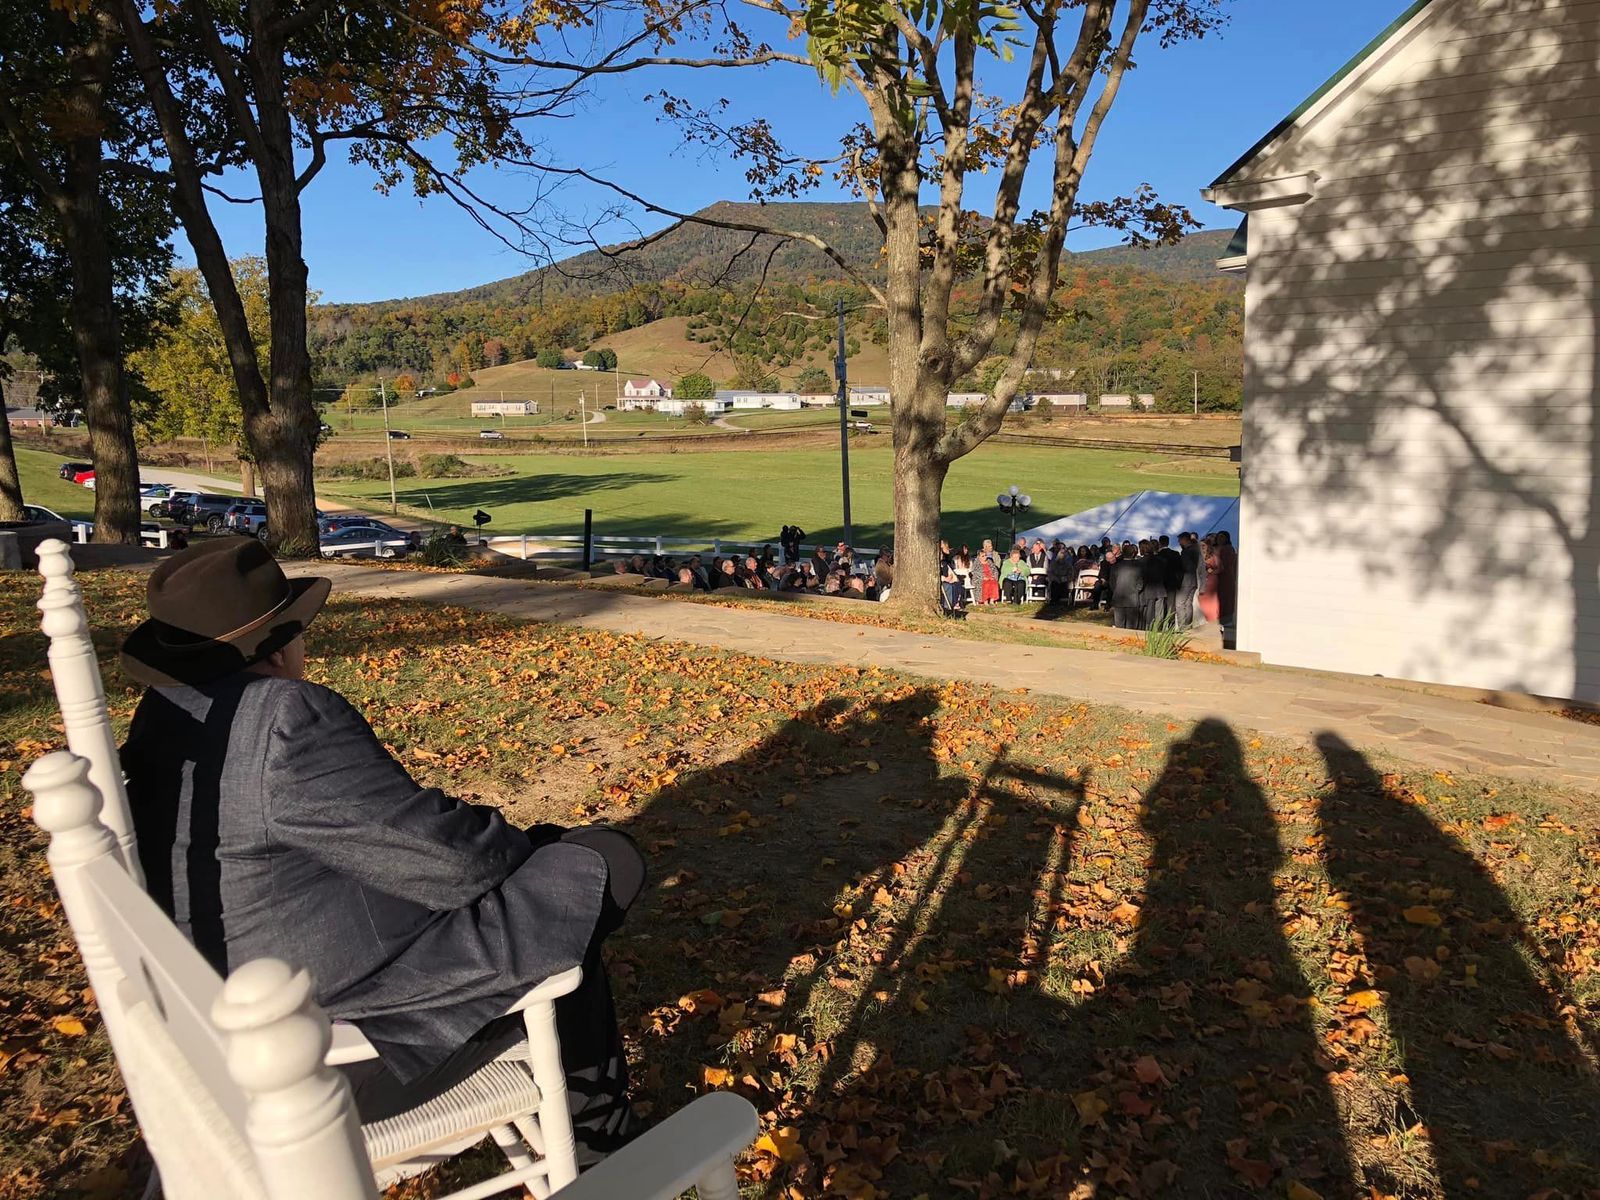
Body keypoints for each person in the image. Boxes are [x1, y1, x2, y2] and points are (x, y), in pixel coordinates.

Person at [117, 540, 644, 1156]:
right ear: (280, 647)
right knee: (600, 865)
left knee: (554, 892)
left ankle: (596, 1119)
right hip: (328, 1054)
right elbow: (457, 866)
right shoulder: (283, 716)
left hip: (226, 1016)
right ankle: (599, 1132)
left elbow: (372, 833)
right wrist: (537, 848)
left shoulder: (167, 713)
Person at [1109, 541, 1144, 628]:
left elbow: (1112, 582)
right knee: (1131, 627)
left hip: (1118, 597)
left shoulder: (1116, 566)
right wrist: (1136, 591)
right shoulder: (1138, 567)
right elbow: (1141, 583)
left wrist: (1116, 590)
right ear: (1133, 554)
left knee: (1119, 625)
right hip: (1132, 598)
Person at [1213, 531, 1239, 627]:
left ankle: (1225, 620)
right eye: (1219, 537)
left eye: (1222, 537)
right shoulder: (1217, 548)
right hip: (1220, 577)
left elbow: (1225, 564)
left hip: (1226, 576)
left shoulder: (1228, 549)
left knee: (1226, 599)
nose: (1220, 539)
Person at [1157, 534, 1184, 625]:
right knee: (1171, 605)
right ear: (1168, 543)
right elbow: (1180, 569)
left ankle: (1160, 625)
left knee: (1161, 606)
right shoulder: (1175, 554)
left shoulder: (1158, 555)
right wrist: (1178, 582)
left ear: (1160, 543)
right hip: (1172, 583)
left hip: (1160, 584)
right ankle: (1170, 625)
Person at [1175, 532, 1201, 628]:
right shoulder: (1196, 550)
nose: (1179, 543)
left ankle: (1182, 627)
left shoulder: (1186, 552)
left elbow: (1186, 566)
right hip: (1193, 580)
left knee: (1179, 604)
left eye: (1179, 541)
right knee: (1188, 604)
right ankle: (1188, 626)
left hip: (1185, 581)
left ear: (1184, 540)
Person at [1197, 535, 1222, 625]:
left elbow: (1221, 568)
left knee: (1211, 600)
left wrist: (1212, 571)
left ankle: (1213, 618)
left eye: (1204, 545)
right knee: (1201, 599)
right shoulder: (1198, 556)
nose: (1202, 547)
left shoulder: (1213, 556)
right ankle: (1204, 619)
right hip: (1200, 580)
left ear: (1208, 546)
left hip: (1211, 580)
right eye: (1200, 546)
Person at [975, 540, 1001, 605]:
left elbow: (995, 570)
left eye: (985, 555)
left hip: (990, 577)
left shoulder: (989, 561)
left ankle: (992, 600)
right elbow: (975, 572)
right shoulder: (977, 562)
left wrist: (994, 577)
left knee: (994, 583)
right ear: (979, 556)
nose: (985, 557)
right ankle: (985, 601)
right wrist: (983, 577)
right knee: (986, 584)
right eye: (983, 556)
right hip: (981, 578)